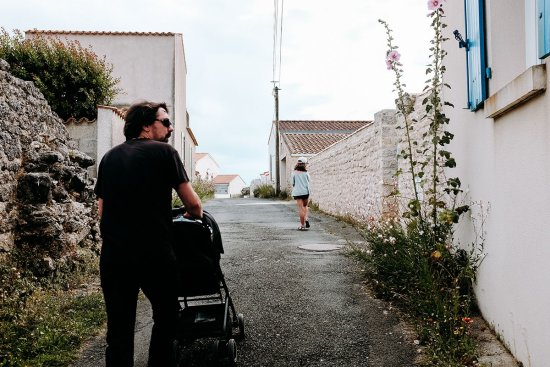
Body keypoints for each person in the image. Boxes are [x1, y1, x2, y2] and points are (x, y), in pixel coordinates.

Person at [94, 101, 203, 367]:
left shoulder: (109, 157)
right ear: (145, 125)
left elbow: (101, 211)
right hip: (154, 255)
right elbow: (195, 206)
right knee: (166, 319)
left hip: (115, 257)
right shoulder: (165, 153)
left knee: (119, 331)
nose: (170, 127)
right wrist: (189, 217)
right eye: (165, 122)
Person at [291, 157, 311, 230]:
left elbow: (292, 183)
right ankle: (306, 218)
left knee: (300, 208)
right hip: (306, 192)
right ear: (304, 164)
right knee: (305, 207)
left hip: (297, 192)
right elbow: (309, 181)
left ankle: (302, 226)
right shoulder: (306, 173)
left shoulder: (294, 173)